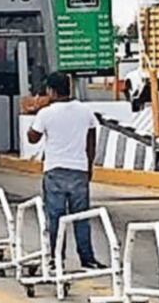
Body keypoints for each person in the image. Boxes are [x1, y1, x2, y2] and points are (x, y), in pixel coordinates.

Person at [26, 72, 105, 269]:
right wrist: (89, 166)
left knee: (55, 217)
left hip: (54, 171)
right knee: (81, 217)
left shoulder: (46, 113)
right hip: (79, 170)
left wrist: (36, 109)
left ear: (51, 91)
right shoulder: (84, 111)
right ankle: (87, 259)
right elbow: (91, 140)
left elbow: (32, 138)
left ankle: (55, 258)